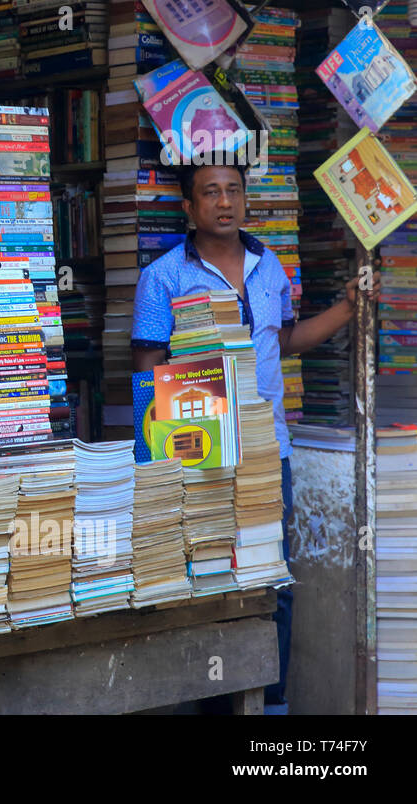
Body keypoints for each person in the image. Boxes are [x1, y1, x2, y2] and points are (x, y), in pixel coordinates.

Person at [131, 160, 367, 714]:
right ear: (189, 208)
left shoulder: (269, 268)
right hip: (198, 457)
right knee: (209, 583)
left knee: (273, 582)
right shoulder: (163, 276)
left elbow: (285, 340)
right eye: (210, 193)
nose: (224, 202)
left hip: (269, 453)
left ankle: (272, 707)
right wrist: (161, 461)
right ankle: (212, 704)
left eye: (233, 190)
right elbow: (146, 372)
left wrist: (348, 308)